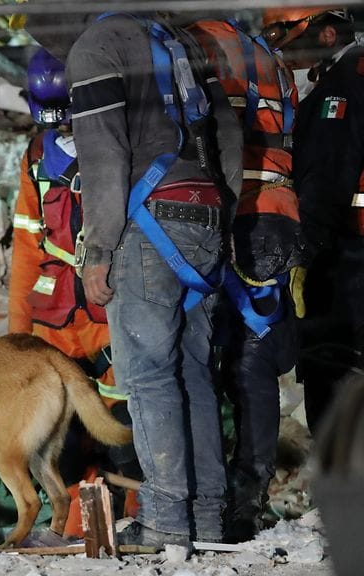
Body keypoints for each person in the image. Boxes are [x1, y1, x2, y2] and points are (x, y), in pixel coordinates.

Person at [67, 12, 243, 548]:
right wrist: (223, 222)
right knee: (192, 372)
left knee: (147, 375)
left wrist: (97, 249)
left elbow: (104, 153)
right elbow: (229, 132)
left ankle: (166, 519)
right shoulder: (179, 39)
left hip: (149, 220)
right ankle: (208, 516)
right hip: (205, 214)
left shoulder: (97, 45)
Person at [8, 47, 138, 540]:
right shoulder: (38, 157)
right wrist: (17, 344)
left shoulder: (126, 146)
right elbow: (26, 250)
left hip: (114, 325)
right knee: (57, 450)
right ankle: (72, 532)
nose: (62, 131)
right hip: (55, 334)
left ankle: (133, 526)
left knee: (128, 443)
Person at [186, 17, 302, 543]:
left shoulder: (198, 40)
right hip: (276, 218)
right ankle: (243, 502)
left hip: (224, 210)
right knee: (252, 365)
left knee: (205, 359)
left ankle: (220, 503)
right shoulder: (265, 55)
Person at [261, 8, 362, 431]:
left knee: (331, 367)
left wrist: (305, 252)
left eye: (292, 41)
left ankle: (346, 491)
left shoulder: (344, 87)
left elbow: (326, 176)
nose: (289, 55)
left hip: (347, 258)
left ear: (325, 33)